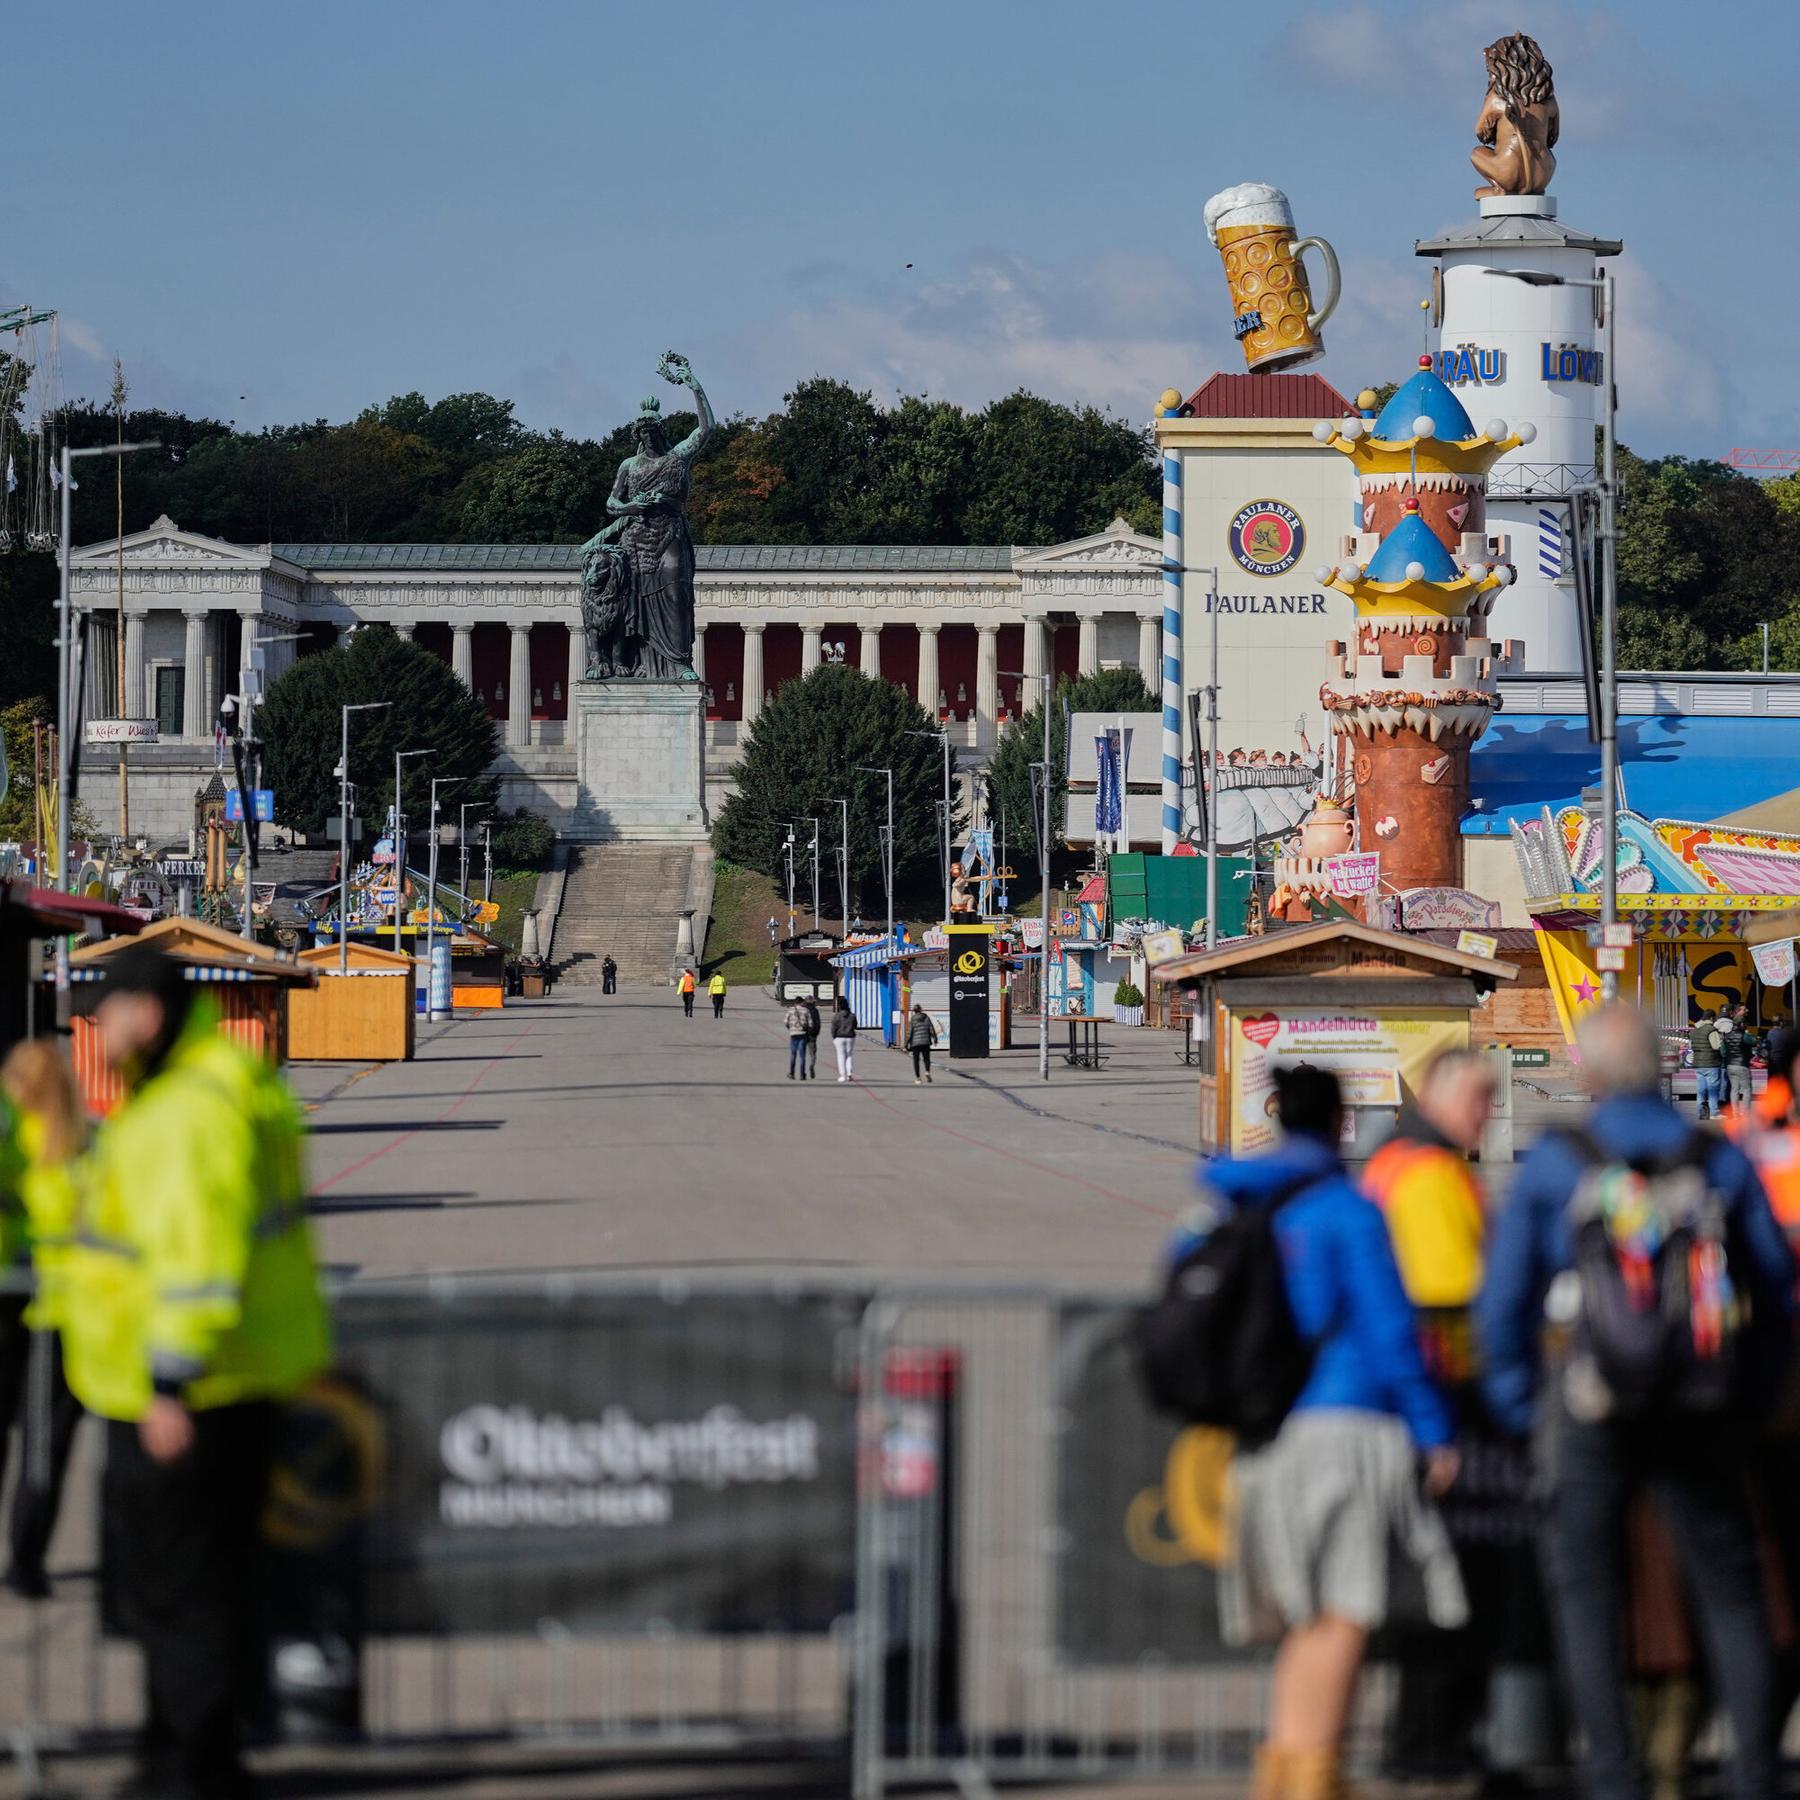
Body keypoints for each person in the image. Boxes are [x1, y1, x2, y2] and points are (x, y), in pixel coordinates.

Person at [1480, 1003, 1795, 1800]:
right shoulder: (1715, 1159)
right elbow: (1772, 1288)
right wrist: (1748, 1397)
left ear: (1584, 1073)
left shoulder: (1558, 1164)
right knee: (1730, 1593)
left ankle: (1612, 1776)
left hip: (1590, 1407)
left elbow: (1504, 1303)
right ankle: (1754, 1776)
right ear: (1662, 1067)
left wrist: (1525, 1411)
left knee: (1588, 1597)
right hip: (1699, 1405)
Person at [60, 944, 331, 1800]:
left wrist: (168, 1383)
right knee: (204, 1585)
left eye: (104, 1013)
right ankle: (187, 1753)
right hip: (227, 1379)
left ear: (146, 1011)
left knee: (181, 1594)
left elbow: (196, 1262)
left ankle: (191, 1770)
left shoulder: (187, 1110)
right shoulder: (224, 1083)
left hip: (188, 1391)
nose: (95, 1030)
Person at [1189, 1066, 1462, 1800]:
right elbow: (1389, 1330)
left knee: (1304, 1619)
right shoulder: (1345, 1209)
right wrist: (1435, 1429)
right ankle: (1310, 1780)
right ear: (1340, 1122)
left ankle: (1285, 1771)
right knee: (1343, 1612)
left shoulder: (1232, 1200)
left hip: (1262, 1432)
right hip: (1343, 1422)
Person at [1363, 1051, 1553, 1787]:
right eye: (1479, 1099)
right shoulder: (1435, 1174)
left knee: (1434, 1584)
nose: (1488, 1115)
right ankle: (1437, 1744)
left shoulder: (1394, 1161)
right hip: (1453, 1407)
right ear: (1440, 1098)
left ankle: (1423, 1739)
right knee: (1464, 1584)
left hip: (1414, 1404)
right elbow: (1460, 1299)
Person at [0, 1040, 88, 1600]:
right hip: (62, 1312)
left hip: (9, 1303)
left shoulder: (11, 1143)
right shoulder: (81, 1145)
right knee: (45, 1447)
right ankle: (26, 1561)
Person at [1688, 1009, 1725, 1122]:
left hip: (1698, 1064)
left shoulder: (1694, 1031)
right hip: (1711, 1063)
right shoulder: (1711, 1030)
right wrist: (1722, 1041)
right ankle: (1714, 1112)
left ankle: (1701, 1112)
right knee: (1713, 1089)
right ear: (1712, 1018)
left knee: (1701, 1090)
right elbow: (1716, 1046)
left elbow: (1691, 1046)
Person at [1723, 1003, 1754, 1119]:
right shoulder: (1744, 1035)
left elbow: (1722, 1051)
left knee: (1734, 1089)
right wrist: (1747, 1033)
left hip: (1730, 1065)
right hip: (1742, 1065)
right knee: (1746, 1090)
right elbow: (1754, 1042)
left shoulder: (1726, 1036)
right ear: (1742, 1024)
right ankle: (1746, 1115)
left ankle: (1735, 1115)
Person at [906, 1003, 939, 1085]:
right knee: (926, 1059)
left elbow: (910, 1032)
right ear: (920, 1010)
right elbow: (931, 1028)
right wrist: (935, 1038)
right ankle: (927, 1071)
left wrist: (906, 1043)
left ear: (914, 1011)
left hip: (915, 1043)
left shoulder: (913, 1019)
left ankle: (918, 1078)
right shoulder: (926, 1017)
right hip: (925, 1042)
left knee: (916, 1060)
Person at [830, 996, 857, 1083]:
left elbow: (833, 1027)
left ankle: (842, 1075)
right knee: (849, 1055)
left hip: (839, 1037)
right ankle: (849, 1073)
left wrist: (834, 1036)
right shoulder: (852, 1016)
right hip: (850, 1036)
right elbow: (855, 1025)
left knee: (841, 1056)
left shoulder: (837, 1016)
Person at [784, 996, 811, 1080]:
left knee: (793, 1054)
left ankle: (792, 1073)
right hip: (802, 1034)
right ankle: (802, 1074)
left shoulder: (790, 1010)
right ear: (801, 1002)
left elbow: (785, 1022)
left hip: (793, 1034)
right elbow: (811, 1024)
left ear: (795, 1002)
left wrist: (790, 1028)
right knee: (802, 1056)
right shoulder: (806, 1010)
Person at [800, 994, 822, 1079]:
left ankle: (802, 1072)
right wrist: (816, 1033)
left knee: (802, 1054)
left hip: (803, 1034)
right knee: (813, 1053)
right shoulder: (815, 1010)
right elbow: (818, 1023)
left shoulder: (802, 1010)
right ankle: (812, 1065)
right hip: (812, 1035)